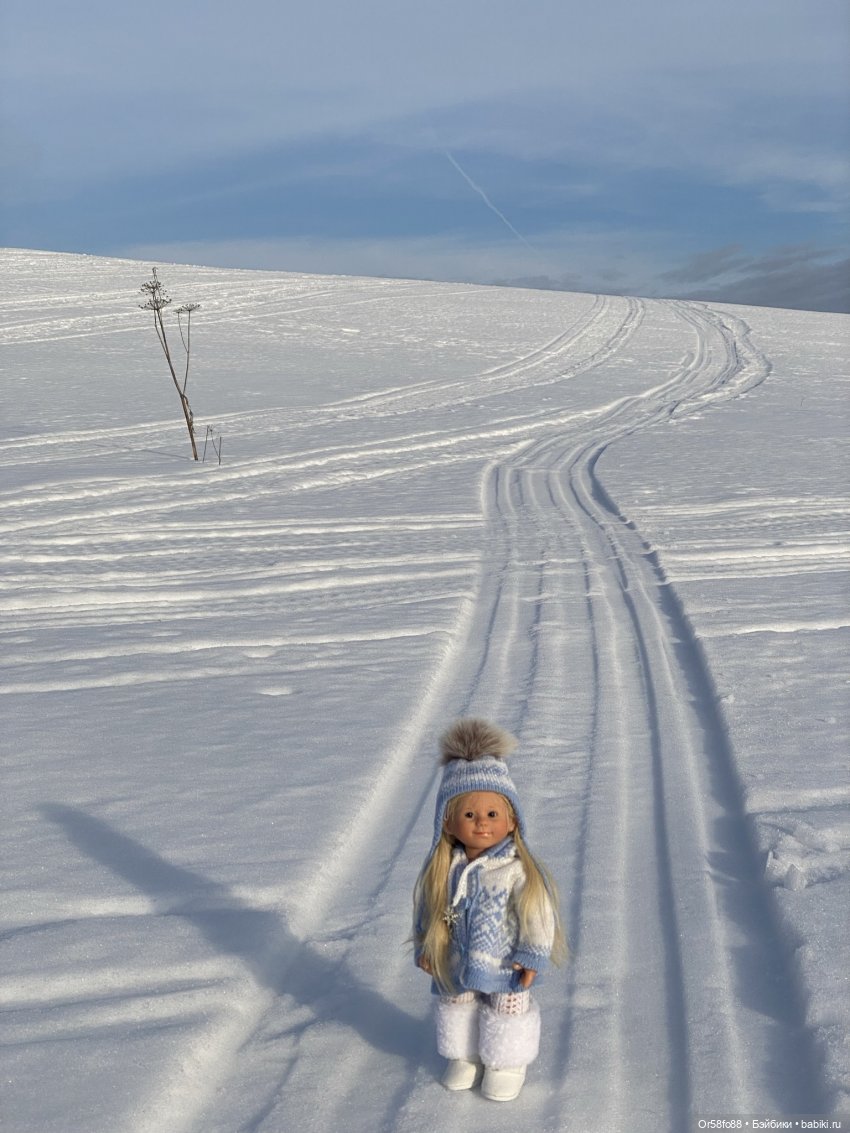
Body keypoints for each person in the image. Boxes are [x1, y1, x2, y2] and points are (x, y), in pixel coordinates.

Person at [413, 717, 566, 1102]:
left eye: (493, 814)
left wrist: (532, 954)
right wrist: (425, 946)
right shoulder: (443, 870)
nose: (482, 822)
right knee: (457, 999)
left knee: (507, 1004)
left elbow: (538, 915)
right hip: (454, 960)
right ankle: (464, 1055)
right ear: (447, 822)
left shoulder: (517, 870)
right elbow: (426, 910)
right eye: (469, 814)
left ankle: (506, 1061)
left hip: (505, 963)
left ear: (512, 819)